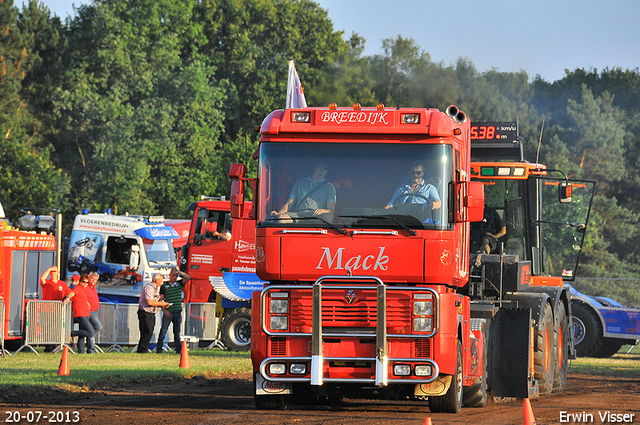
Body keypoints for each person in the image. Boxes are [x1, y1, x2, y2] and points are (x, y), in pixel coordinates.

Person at [271, 162, 336, 221]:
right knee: (281, 218)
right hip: (299, 215)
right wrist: (279, 213)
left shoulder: (329, 187)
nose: (322, 171)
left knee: (329, 217)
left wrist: (323, 210)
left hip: (317, 216)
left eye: (325, 169)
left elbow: (331, 210)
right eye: (319, 167)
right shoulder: (299, 183)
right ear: (314, 168)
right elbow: (290, 202)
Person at [156, 268, 191, 354]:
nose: (175, 277)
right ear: (170, 275)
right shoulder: (164, 285)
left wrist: (180, 272)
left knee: (177, 332)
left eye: (176, 275)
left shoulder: (179, 284)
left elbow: (188, 277)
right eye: (173, 275)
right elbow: (160, 300)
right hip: (169, 311)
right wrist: (165, 311)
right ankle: (159, 348)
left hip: (177, 311)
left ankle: (178, 349)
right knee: (163, 331)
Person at [137, 273, 170, 353]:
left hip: (151, 313)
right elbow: (150, 302)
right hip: (145, 313)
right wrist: (162, 304)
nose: (162, 282)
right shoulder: (149, 288)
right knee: (147, 331)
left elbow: (155, 301)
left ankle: (143, 349)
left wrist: (162, 304)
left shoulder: (156, 289)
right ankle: (143, 350)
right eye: (161, 280)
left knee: (149, 331)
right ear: (157, 280)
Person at [63, 274, 95, 354]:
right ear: (80, 282)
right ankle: (72, 333)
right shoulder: (78, 288)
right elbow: (71, 293)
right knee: (91, 332)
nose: (85, 283)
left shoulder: (83, 290)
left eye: (87, 282)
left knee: (82, 334)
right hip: (81, 314)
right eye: (83, 282)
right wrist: (67, 298)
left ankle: (80, 351)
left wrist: (87, 303)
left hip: (85, 313)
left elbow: (80, 298)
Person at [85, 271, 102, 353]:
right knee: (98, 326)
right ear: (89, 277)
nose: (93, 280)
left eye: (95, 279)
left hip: (94, 311)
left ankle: (91, 348)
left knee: (92, 330)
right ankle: (91, 348)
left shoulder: (93, 288)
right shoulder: (86, 287)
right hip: (89, 312)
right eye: (92, 278)